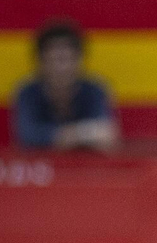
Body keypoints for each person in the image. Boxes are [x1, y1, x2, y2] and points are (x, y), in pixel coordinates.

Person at [10, 19, 119, 151]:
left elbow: (106, 134)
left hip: (86, 168)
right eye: (54, 60)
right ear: (40, 62)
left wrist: (57, 137)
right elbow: (27, 136)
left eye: (66, 60)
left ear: (79, 60)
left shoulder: (94, 90)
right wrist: (80, 133)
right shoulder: (27, 93)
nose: (61, 69)